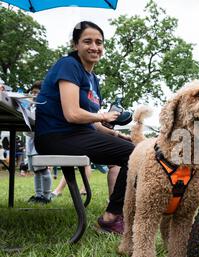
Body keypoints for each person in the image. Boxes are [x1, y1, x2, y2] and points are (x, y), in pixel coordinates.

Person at [35, 21, 134, 234]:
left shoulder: (93, 79)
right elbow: (72, 114)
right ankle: (111, 217)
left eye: (99, 42)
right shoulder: (68, 65)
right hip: (56, 136)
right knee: (134, 155)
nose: (94, 47)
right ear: (75, 45)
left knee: (136, 149)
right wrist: (103, 115)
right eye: (87, 41)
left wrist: (114, 133)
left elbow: (91, 123)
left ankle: (119, 212)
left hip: (78, 134)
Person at [24, 80, 53, 203]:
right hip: (30, 144)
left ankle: (47, 196)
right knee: (36, 171)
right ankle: (38, 195)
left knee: (43, 170)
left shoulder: (44, 106)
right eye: (33, 92)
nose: (34, 95)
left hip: (39, 144)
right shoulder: (30, 104)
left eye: (37, 92)